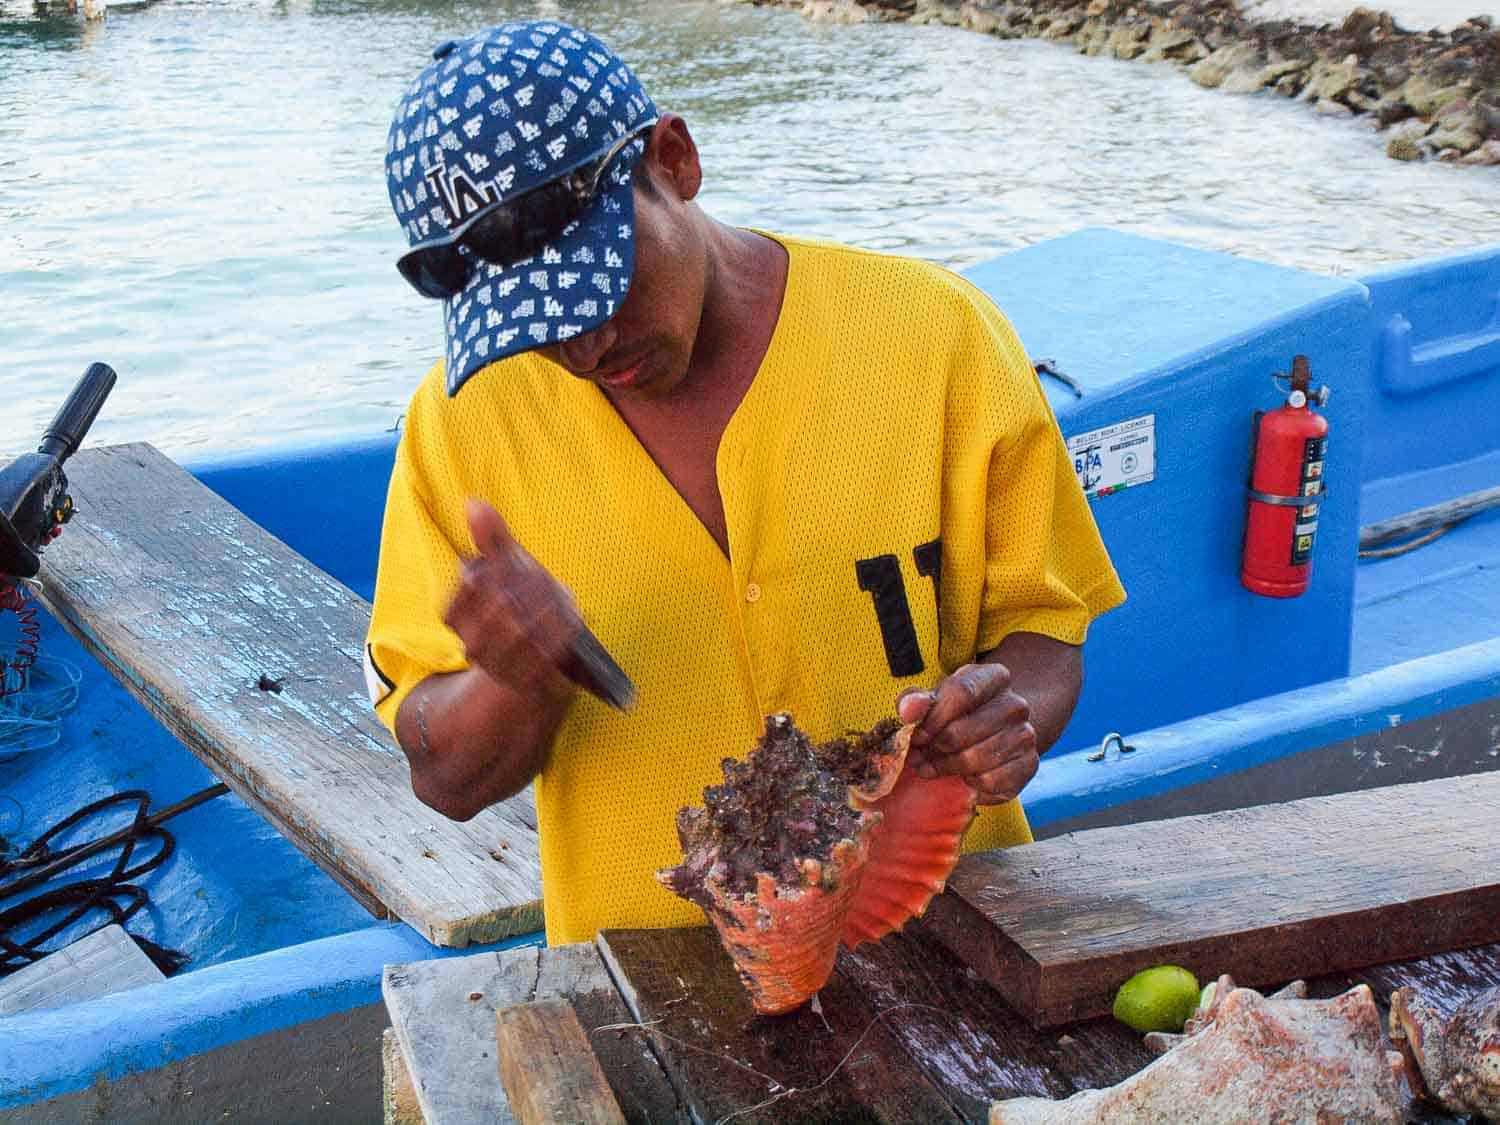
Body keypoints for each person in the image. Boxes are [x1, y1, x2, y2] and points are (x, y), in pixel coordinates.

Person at [365, 20, 1126, 947]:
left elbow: (1046, 633)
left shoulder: (936, 339)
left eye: (599, 288)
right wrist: (515, 678)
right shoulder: (463, 427)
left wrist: (1009, 721)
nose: (584, 347)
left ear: (674, 160)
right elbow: (444, 779)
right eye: (535, 324)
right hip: (656, 978)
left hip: (957, 929)